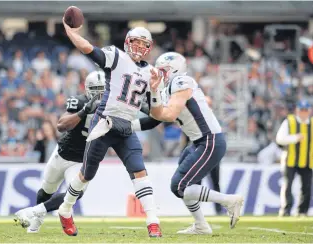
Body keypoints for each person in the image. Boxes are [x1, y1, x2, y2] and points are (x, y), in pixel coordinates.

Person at [58, 18, 161, 238]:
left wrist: (156, 90)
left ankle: (153, 222)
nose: (138, 47)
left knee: (140, 172)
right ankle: (65, 209)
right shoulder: (116, 57)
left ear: (149, 48)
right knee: (87, 174)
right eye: (135, 41)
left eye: (143, 43)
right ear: (127, 42)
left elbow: (155, 110)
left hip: (126, 128)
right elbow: (88, 48)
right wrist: (71, 32)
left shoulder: (151, 72)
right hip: (104, 123)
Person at [132, 52, 243, 234]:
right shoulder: (168, 89)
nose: (160, 75)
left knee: (178, 186)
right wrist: (128, 126)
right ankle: (201, 225)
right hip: (199, 142)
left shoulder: (181, 82)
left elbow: (168, 115)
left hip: (210, 140)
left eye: (163, 70)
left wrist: (151, 99)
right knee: (186, 185)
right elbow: (154, 120)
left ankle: (229, 200)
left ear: (175, 69)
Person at [14, 71, 105, 233]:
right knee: (46, 191)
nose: (99, 93)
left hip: (81, 160)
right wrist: (84, 111)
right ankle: (38, 217)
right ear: (87, 89)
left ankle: (35, 211)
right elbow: (61, 125)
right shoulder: (79, 101)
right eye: (96, 89)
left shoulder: (112, 108)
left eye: (102, 89)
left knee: (77, 192)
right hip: (63, 153)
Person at [276, 100, 313, 217]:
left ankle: (302, 211)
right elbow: (279, 139)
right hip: (290, 160)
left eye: (305, 111)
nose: (303, 113)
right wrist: (294, 138)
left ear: (309, 111)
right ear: (297, 110)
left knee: (306, 187)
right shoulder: (289, 122)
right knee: (287, 185)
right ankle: (285, 209)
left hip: (307, 160)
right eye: (301, 111)